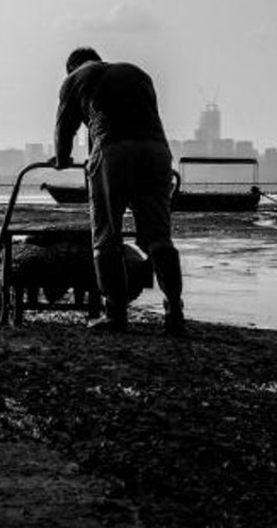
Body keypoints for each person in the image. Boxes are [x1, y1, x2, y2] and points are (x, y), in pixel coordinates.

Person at [54, 46, 185, 334]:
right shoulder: (136, 72)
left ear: (72, 66)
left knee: (106, 236)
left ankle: (115, 314)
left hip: (114, 150)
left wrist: (62, 160)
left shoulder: (75, 77)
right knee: (158, 236)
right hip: (157, 151)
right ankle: (175, 310)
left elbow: (65, 129)